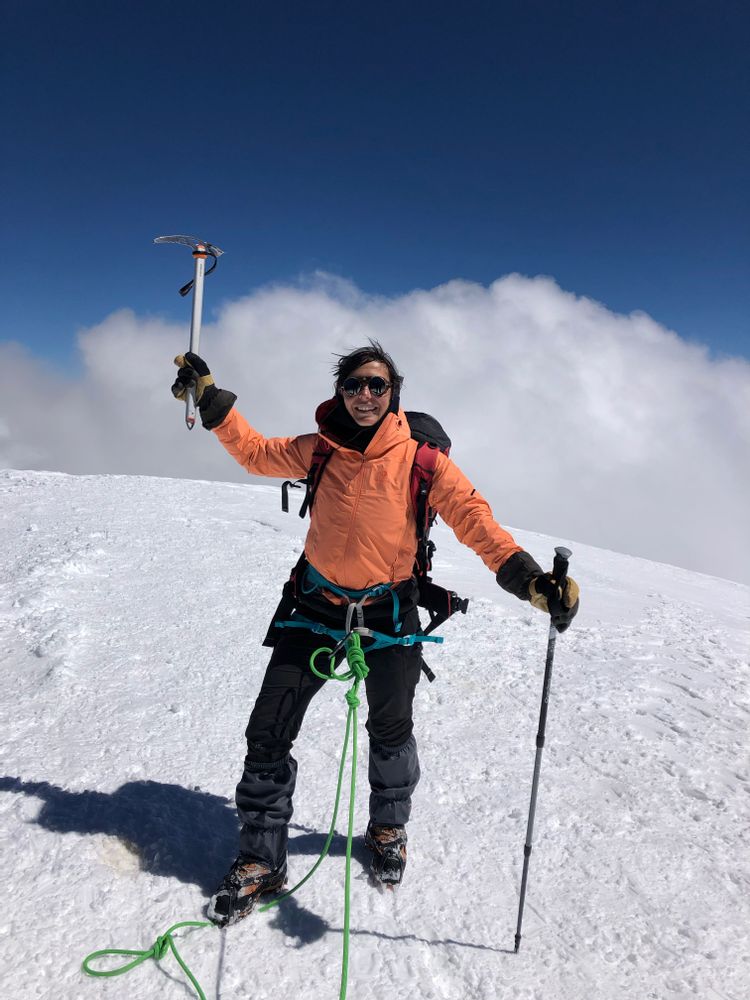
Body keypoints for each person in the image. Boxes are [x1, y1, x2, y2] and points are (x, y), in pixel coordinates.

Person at [171, 341, 579, 927]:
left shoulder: (423, 462)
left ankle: (388, 826)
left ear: (394, 397)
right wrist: (211, 403)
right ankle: (262, 860)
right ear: (341, 391)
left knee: (391, 730)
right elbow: (257, 453)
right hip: (314, 606)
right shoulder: (320, 451)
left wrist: (532, 582)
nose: (365, 394)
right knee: (268, 730)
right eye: (355, 385)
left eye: (377, 386)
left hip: (389, 613)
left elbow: (474, 520)